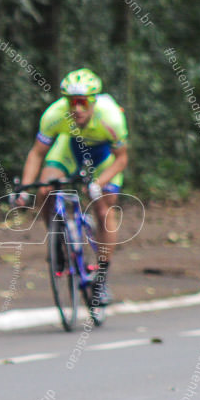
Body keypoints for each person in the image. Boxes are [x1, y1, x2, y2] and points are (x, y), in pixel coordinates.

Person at [18, 68, 129, 305]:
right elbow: (37, 153)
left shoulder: (111, 118)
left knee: (103, 209)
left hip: (104, 161)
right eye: (71, 102)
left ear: (94, 102)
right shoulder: (55, 114)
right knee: (45, 189)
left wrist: (98, 184)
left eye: (82, 102)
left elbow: (122, 159)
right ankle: (57, 240)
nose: (76, 108)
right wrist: (24, 187)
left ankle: (101, 278)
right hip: (70, 152)